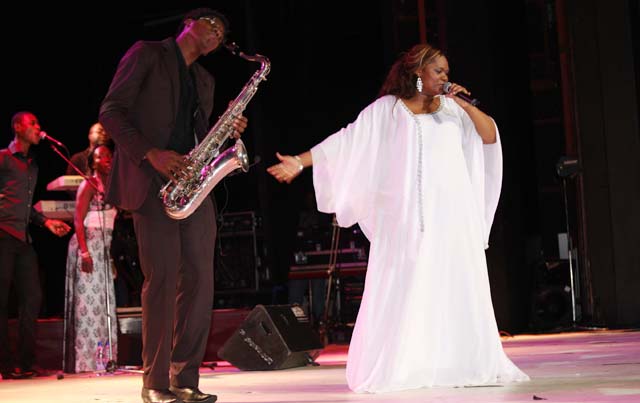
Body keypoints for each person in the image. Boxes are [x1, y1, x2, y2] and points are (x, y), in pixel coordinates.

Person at [267, 43, 529, 393]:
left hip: (453, 219)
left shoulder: (453, 110)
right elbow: (346, 141)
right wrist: (299, 162)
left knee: (454, 286)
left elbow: (489, 135)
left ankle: (459, 360)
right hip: (408, 220)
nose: (445, 77)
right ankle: (410, 362)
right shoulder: (388, 110)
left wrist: (463, 101)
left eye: (447, 72)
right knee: (411, 287)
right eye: (439, 71)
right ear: (417, 72)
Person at [99, 8, 247, 403]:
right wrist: (150, 153)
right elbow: (111, 112)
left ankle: (186, 378)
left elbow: (198, 137)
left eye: (222, 32)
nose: (217, 34)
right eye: (211, 24)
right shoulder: (147, 53)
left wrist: (224, 132)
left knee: (200, 279)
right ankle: (155, 382)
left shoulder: (205, 78)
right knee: (162, 279)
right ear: (188, 23)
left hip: (192, 185)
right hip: (150, 182)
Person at [0, 111, 71, 380]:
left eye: (38, 123)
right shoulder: (3, 159)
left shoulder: (32, 165)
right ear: (17, 127)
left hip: (22, 238)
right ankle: (4, 365)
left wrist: (46, 223)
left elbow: (25, 207)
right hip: (3, 236)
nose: (38, 127)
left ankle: (25, 363)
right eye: (32, 124)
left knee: (32, 298)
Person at [63, 144, 118, 373]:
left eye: (108, 155)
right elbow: (78, 220)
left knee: (105, 305)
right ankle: (86, 361)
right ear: (93, 162)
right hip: (88, 249)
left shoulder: (114, 187)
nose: (105, 158)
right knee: (89, 307)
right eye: (100, 156)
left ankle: (105, 359)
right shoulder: (88, 185)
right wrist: (84, 252)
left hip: (104, 251)